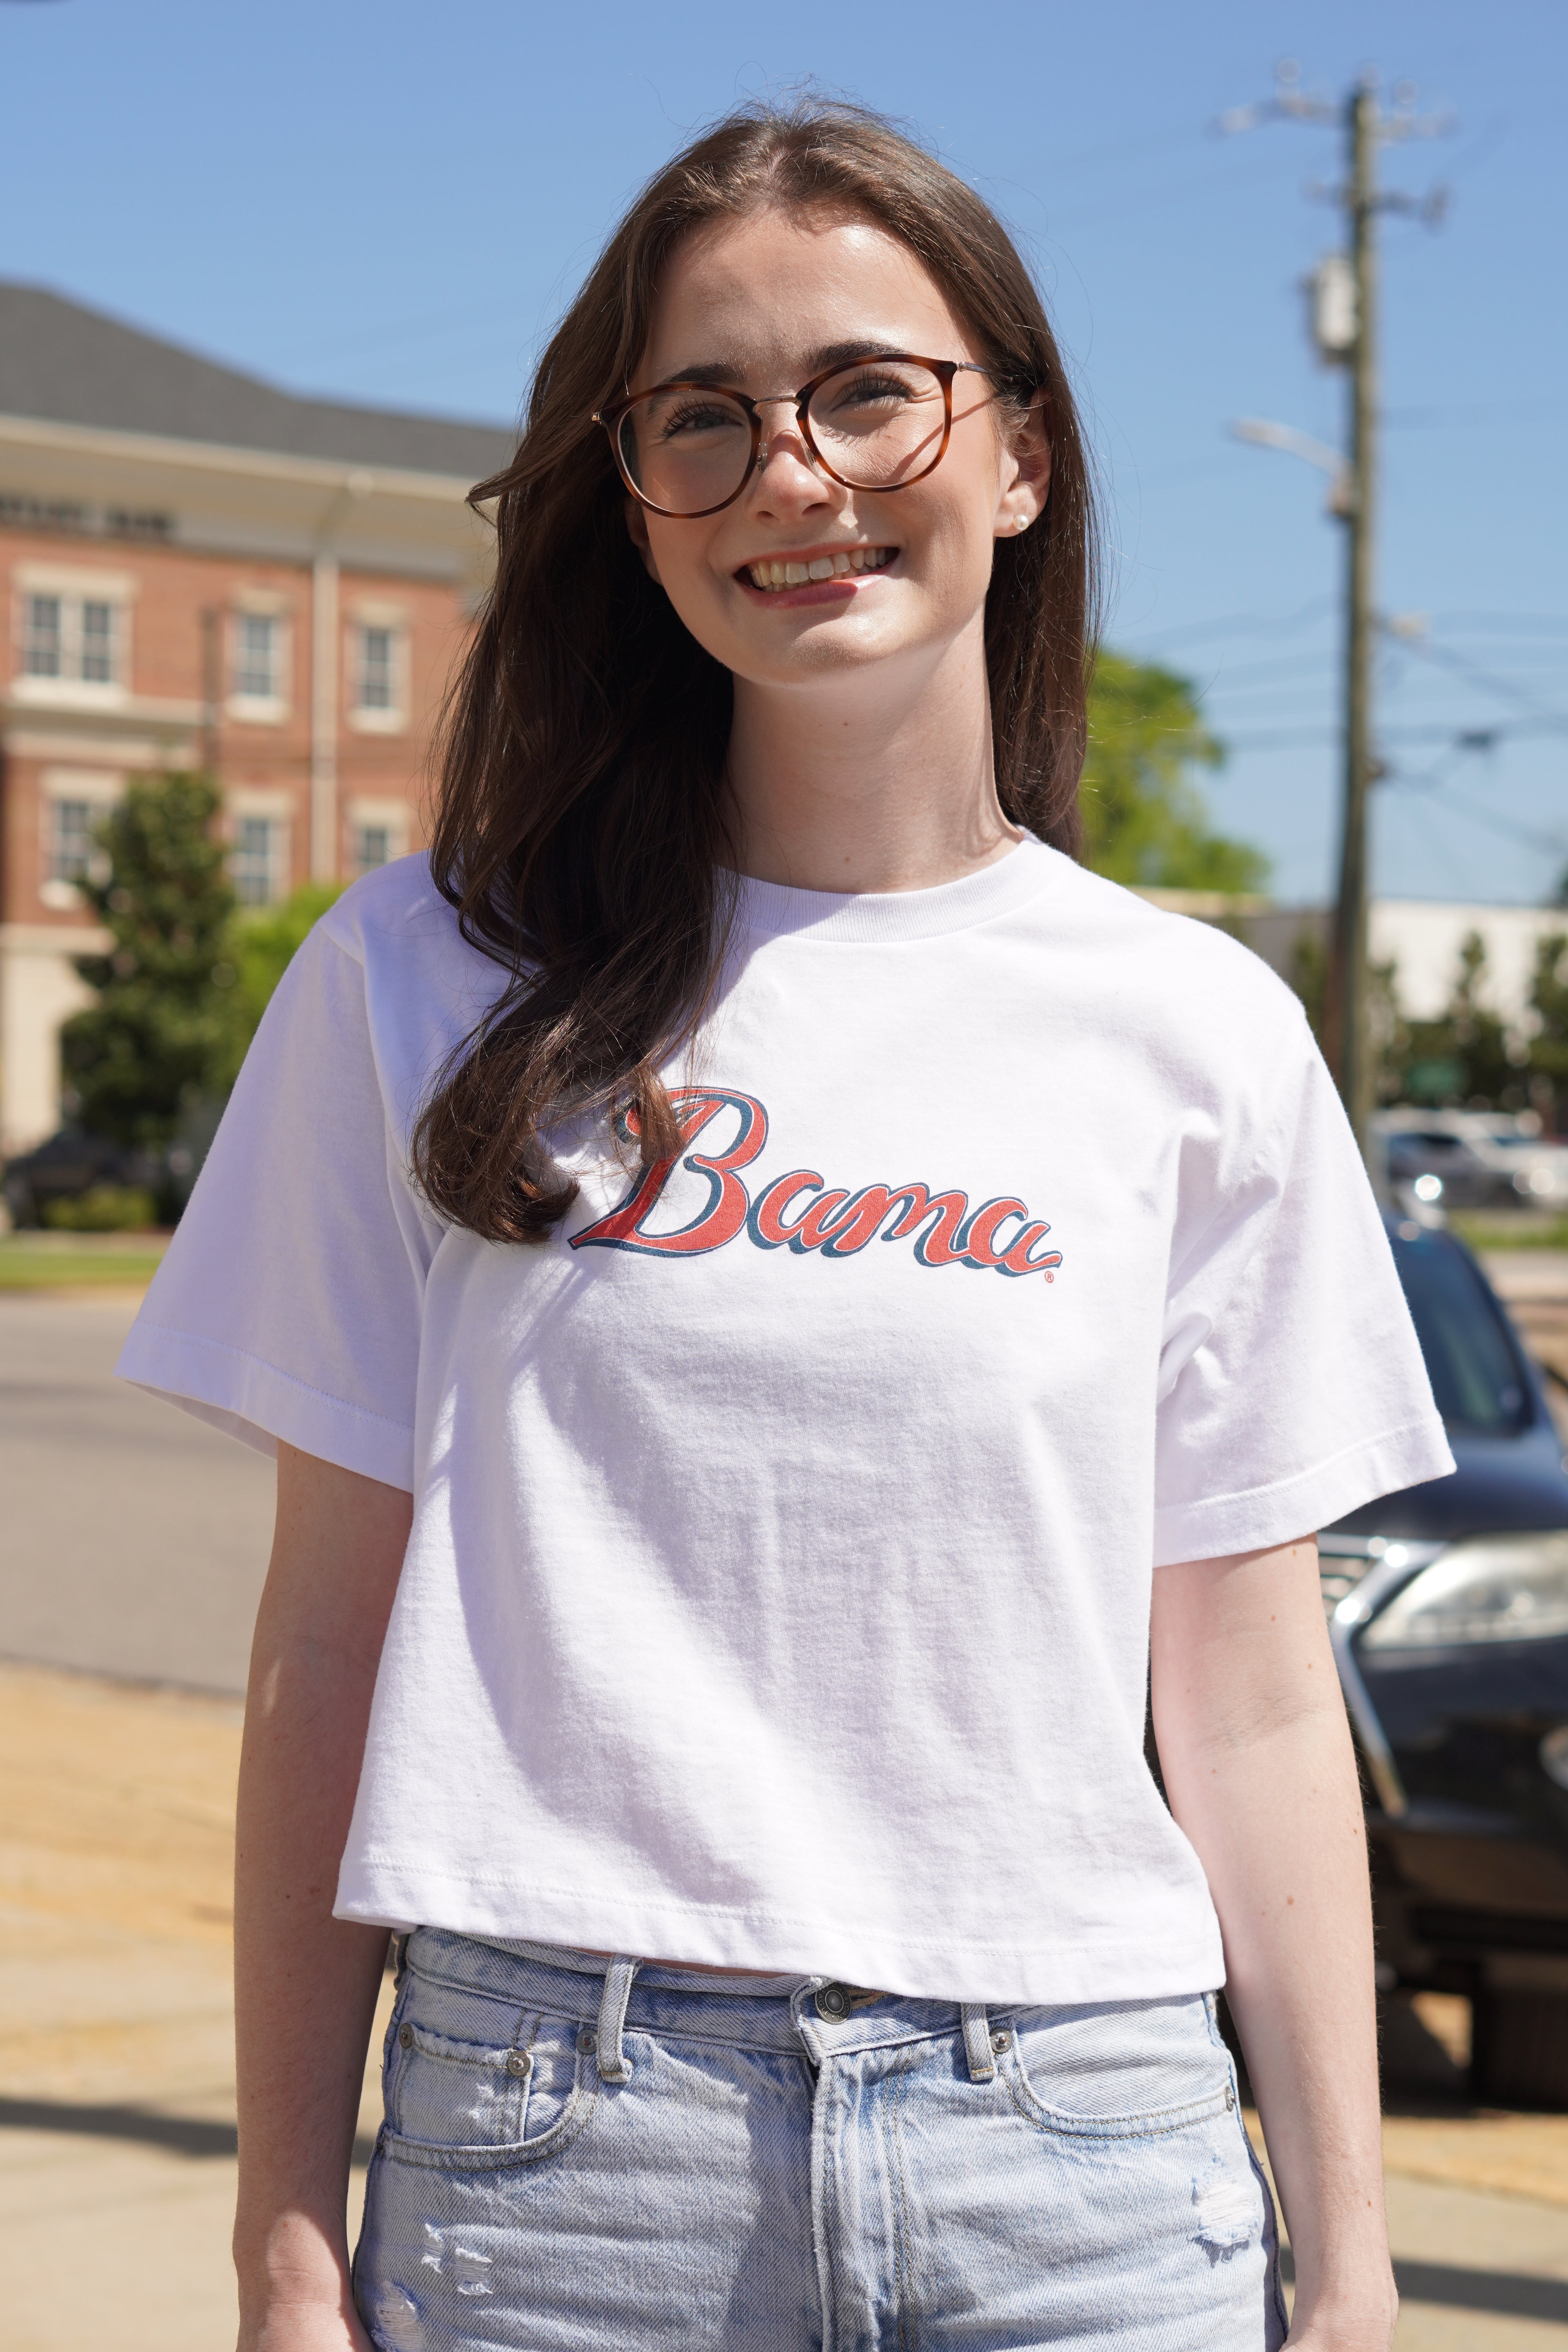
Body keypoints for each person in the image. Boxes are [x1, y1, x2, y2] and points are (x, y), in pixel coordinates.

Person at [119, 99, 1451, 2352]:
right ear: (630, 504)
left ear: (1017, 449)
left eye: (867, 391)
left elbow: (1238, 1694)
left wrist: (1354, 2266)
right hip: (560, 2172)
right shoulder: (422, 980)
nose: (794, 477)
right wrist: (281, 2232)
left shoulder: (1196, 1030)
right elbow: (324, 1646)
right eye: (705, 421)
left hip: (1093, 2169)